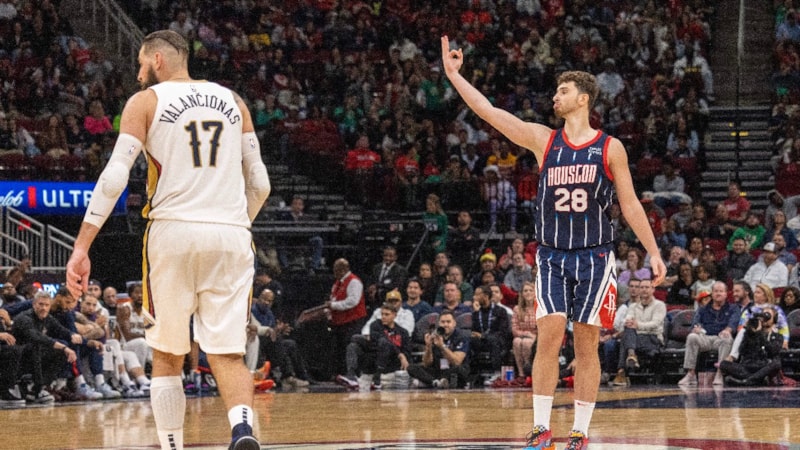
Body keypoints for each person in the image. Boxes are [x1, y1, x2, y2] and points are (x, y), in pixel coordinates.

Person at [442, 38, 665, 450]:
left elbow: (630, 203)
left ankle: (580, 431)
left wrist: (652, 250)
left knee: (586, 343)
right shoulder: (545, 140)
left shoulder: (609, 147)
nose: (555, 97)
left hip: (595, 256)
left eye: (563, 91)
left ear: (583, 98)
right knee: (548, 337)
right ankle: (541, 428)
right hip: (551, 256)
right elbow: (490, 113)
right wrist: (455, 76)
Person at [65, 30, 270, 450]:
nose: (139, 73)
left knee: (167, 353)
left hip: (173, 231)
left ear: (157, 59)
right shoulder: (235, 102)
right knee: (228, 353)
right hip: (231, 234)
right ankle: (242, 430)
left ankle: (173, 446)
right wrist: (234, 223)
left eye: (141, 64)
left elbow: (114, 177)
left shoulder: (146, 101)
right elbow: (261, 183)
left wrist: (82, 245)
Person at [12, 290, 79, 404]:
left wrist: (72, 335)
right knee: (38, 346)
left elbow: (60, 329)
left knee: (61, 353)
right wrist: (63, 347)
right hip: (17, 355)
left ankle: (38, 388)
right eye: (41, 304)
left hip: (33, 354)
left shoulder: (47, 318)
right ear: (34, 304)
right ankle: (37, 388)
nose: (44, 308)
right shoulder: (24, 318)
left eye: (47, 305)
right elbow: (36, 337)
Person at [677, 281, 740, 386]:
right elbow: (695, 324)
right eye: (716, 291)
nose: (718, 293)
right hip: (705, 338)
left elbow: (733, 323)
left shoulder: (733, 308)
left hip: (720, 338)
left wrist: (727, 330)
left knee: (727, 338)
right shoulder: (703, 309)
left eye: (721, 291)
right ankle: (691, 374)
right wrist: (696, 328)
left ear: (726, 294)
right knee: (692, 337)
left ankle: (720, 373)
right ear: (712, 293)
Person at [610, 276, 666, 387]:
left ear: (653, 289)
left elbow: (655, 324)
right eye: (642, 287)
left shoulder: (660, 305)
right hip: (636, 338)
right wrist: (629, 323)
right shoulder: (633, 306)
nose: (644, 290)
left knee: (626, 338)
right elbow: (628, 320)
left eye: (647, 287)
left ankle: (622, 371)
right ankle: (631, 356)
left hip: (653, 338)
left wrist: (638, 325)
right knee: (628, 329)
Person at [324, 258, 368, 379]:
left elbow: (352, 301)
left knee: (349, 347)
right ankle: (340, 374)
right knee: (339, 349)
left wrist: (334, 306)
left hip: (353, 321)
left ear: (344, 270)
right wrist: (328, 310)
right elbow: (333, 298)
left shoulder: (354, 282)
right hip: (339, 322)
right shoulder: (337, 283)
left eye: (336, 270)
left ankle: (352, 374)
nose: (334, 273)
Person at [720, 305, 783, 386]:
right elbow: (742, 351)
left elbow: (773, 351)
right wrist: (749, 333)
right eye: (763, 315)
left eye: (768, 315)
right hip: (748, 366)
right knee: (724, 364)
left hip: (763, 366)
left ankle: (747, 380)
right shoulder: (751, 333)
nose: (765, 318)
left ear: (774, 319)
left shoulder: (778, 336)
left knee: (776, 363)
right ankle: (756, 379)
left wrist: (759, 334)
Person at [406, 310, 470, 389]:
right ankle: (435, 382)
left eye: (448, 322)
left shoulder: (461, 336)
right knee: (411, 367)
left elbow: (457, 361)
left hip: (452, 369)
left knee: (458, 369)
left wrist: (442, 346)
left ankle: (430, 382)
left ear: (454, 323)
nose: (445, 325)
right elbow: (426, 363)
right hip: (438, 369)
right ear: (439, 323)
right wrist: (428, 346)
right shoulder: (436, 335)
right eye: (443, 322)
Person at [470, 284, 511, 379]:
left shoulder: (500, 311)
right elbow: (474, 330)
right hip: (481, 341)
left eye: (477, 295)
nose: (474, 297)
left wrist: (484, 336)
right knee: (469, 340)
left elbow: (503, 331)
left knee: (494, 340)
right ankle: (471, 374)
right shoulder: (476, 313)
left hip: (498, 340)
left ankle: (497, 372)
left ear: (486, 296)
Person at [511, 282, 538, 379]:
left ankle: (528, 370)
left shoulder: (539, 308)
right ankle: (521, 373)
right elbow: (514, 329)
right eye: (525, 291)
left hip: (537, 337)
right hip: (523, 336)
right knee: (516, 341)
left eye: (531, 290)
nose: (528, 292)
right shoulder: (517, 309)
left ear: (535, 293)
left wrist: (534, 336)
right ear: (522, 294)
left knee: (526, 343)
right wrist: (527, 334)